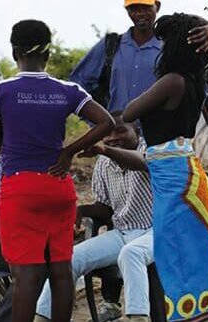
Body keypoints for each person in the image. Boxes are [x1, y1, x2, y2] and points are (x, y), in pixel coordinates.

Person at [0, 20, 114, 322]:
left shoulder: (2, 91)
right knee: (62, 270)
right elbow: (106, 123)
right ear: (48, 54)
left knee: (25, 276)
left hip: (19, 190)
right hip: (58, 187)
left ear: (14, 52)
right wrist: (69, 151)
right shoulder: (67, 90)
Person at [122, 13, 208, 321]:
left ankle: (183, 314)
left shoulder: (171, 81)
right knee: (185, 251)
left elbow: (128, 112)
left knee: (174, 252)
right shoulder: (192, 80)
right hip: (180, 172)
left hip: (175, 178)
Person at [35, 115, 153, 322]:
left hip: (156, 231)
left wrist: (105, 150)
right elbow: (106, 210)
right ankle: (43, 317)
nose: (113, 137)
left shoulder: (150, 150)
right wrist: (81, 210)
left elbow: (141, 163)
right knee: (70, 258)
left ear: (136, 128)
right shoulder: (103, 164)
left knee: (131, 253)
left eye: (121, 130)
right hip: (123, 232)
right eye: (107, 134)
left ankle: (138, 317)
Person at [70, 0, 208, 112]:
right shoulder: (111, 45)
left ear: (157, 6)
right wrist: (99, 122)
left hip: (159, 137)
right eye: (133, 8)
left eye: (145, 7)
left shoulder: (170, 48)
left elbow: (197, 88)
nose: (139, 13)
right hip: (118, 136)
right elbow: (79, 83)